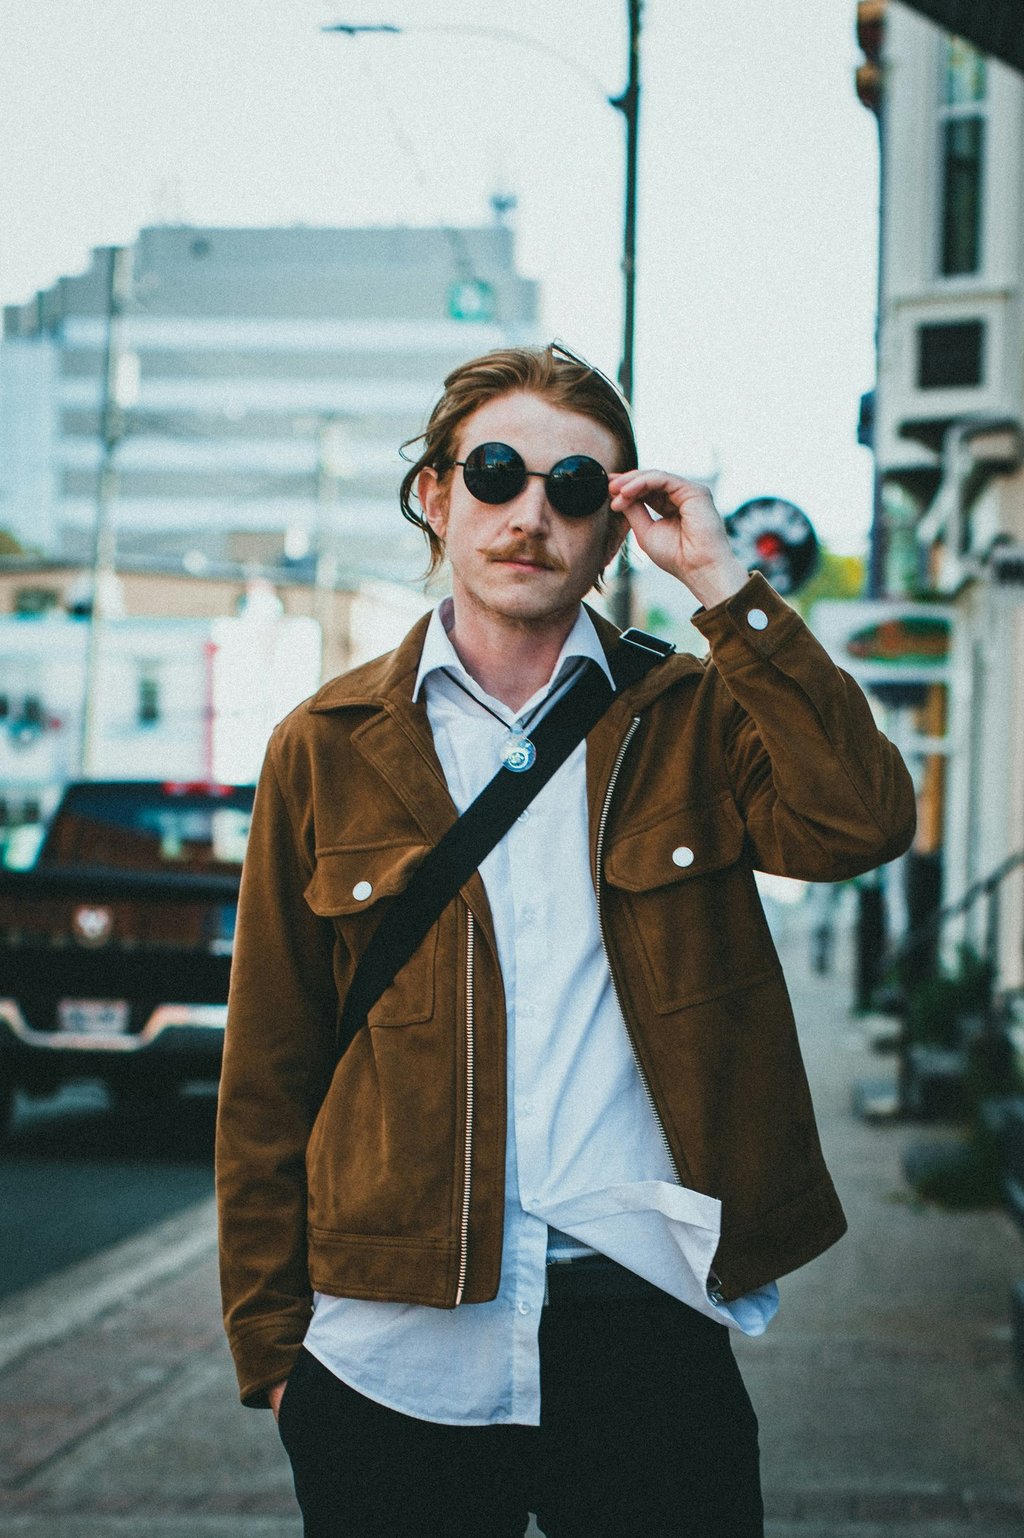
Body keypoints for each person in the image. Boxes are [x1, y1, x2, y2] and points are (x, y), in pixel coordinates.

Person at [216, 343, 915, 1538]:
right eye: (495, 473)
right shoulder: (324, 744)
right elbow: (269, 1063)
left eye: (575, 488)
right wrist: (274, 1349)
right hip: (391, 1349)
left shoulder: (693, 715)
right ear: (435, 496)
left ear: (611, 532)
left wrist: (722, 582)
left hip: (643, 1325)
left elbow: (862, 816)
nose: (530, 513)